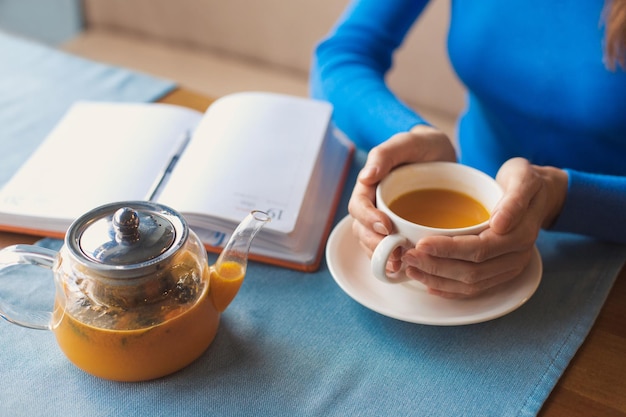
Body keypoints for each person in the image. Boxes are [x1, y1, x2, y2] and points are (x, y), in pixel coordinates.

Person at [310, 0, 626, 298]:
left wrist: (560, 196)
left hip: (607, 247)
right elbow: (340, 57)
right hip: (465, 218)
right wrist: (409, 136)